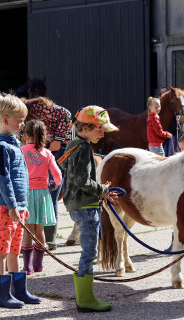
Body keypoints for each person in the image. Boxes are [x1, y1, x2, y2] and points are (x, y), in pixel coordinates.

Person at [59, 106, 119, 312]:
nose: (103, 134)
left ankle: (85, 297)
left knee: (88, 251)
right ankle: (85, 300)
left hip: (79, 205)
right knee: (89, 252)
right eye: (99, 129)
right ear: (85, 127)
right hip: (86, 207)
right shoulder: (83, 148)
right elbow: (82, 180)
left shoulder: (74, 145)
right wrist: (102, 189)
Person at [0, 94, 42, 308]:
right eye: (19, 120)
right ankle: (1, 295)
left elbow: (21, 179)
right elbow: (3, 180)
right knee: (1, 251)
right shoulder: (1, 146)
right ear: (4, 120)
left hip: (17, 207)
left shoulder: (14, 144)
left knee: (15, 250)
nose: (22, 124)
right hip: (4, 207)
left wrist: (23, 205)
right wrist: (12, 205)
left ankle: (19, 291)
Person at [25, 97, 72, 251]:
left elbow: (65, 113)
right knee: (48, 194)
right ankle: (42, 241)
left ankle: (48, 240)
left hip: (57, 148)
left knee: (51, 195)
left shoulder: (37, 109)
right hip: (44, 149)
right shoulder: (27, 114)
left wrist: (58, 139)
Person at [21, 120, 62, 275]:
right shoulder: (47, 153)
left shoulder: (21, 151)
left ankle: (27, 267)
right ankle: (38, 265)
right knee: (40, 230)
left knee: (28, 232)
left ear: (25, 136)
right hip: (43, 194)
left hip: (27, 194)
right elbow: (57, 174)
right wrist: (55, 184)